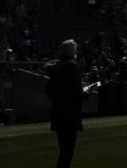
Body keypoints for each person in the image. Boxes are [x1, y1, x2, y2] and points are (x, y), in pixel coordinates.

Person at [45, 40, 90, 168]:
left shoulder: (55, 68)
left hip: (58, 112)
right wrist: (86, 94)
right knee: (68, 152)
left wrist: (61, 97)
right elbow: (77, 93)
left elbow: (49, 91)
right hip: (70, 114)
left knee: (63, 150)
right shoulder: (72, 67)